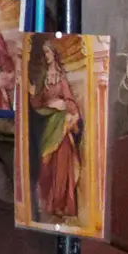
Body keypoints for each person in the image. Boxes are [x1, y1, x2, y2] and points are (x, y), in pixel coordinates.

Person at [28, 39, 84, 221]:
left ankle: (60, 204)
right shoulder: (43, 76)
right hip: (46, 123)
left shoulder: (60, 78)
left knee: (61, 166)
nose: (47, 56)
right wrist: (33, 96)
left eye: (49, 53)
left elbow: (71, 104)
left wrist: (62, 104)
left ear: (54, 54)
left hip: (60, 126)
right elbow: (37, 101)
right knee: (45, 165)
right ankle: (48, 202)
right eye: (44, 53)